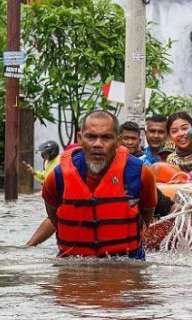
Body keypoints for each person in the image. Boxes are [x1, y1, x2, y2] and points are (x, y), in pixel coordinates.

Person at [41, 110, 170, 259]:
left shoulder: (140, 174)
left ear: (118, 140)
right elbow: (54, 216)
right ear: (80, 138)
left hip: (127, 263)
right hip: (75, 264)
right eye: (91, 137)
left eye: (106, 138)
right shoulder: (57, 178)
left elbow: (147, 212)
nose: (98, 144)